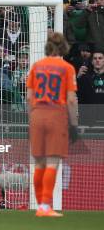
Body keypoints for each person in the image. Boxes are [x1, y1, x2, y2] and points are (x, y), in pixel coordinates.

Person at [26, 33, 78, 217]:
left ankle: (41, 206)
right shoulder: (67, 68)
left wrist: (33, 117)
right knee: (53, 161)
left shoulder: (36, 66)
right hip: (56, 115)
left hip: (37, 115)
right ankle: (45, 206)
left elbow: (29, 97)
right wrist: (74, 125)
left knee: (39, 162)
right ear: (63, 46)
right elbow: (71, 100)